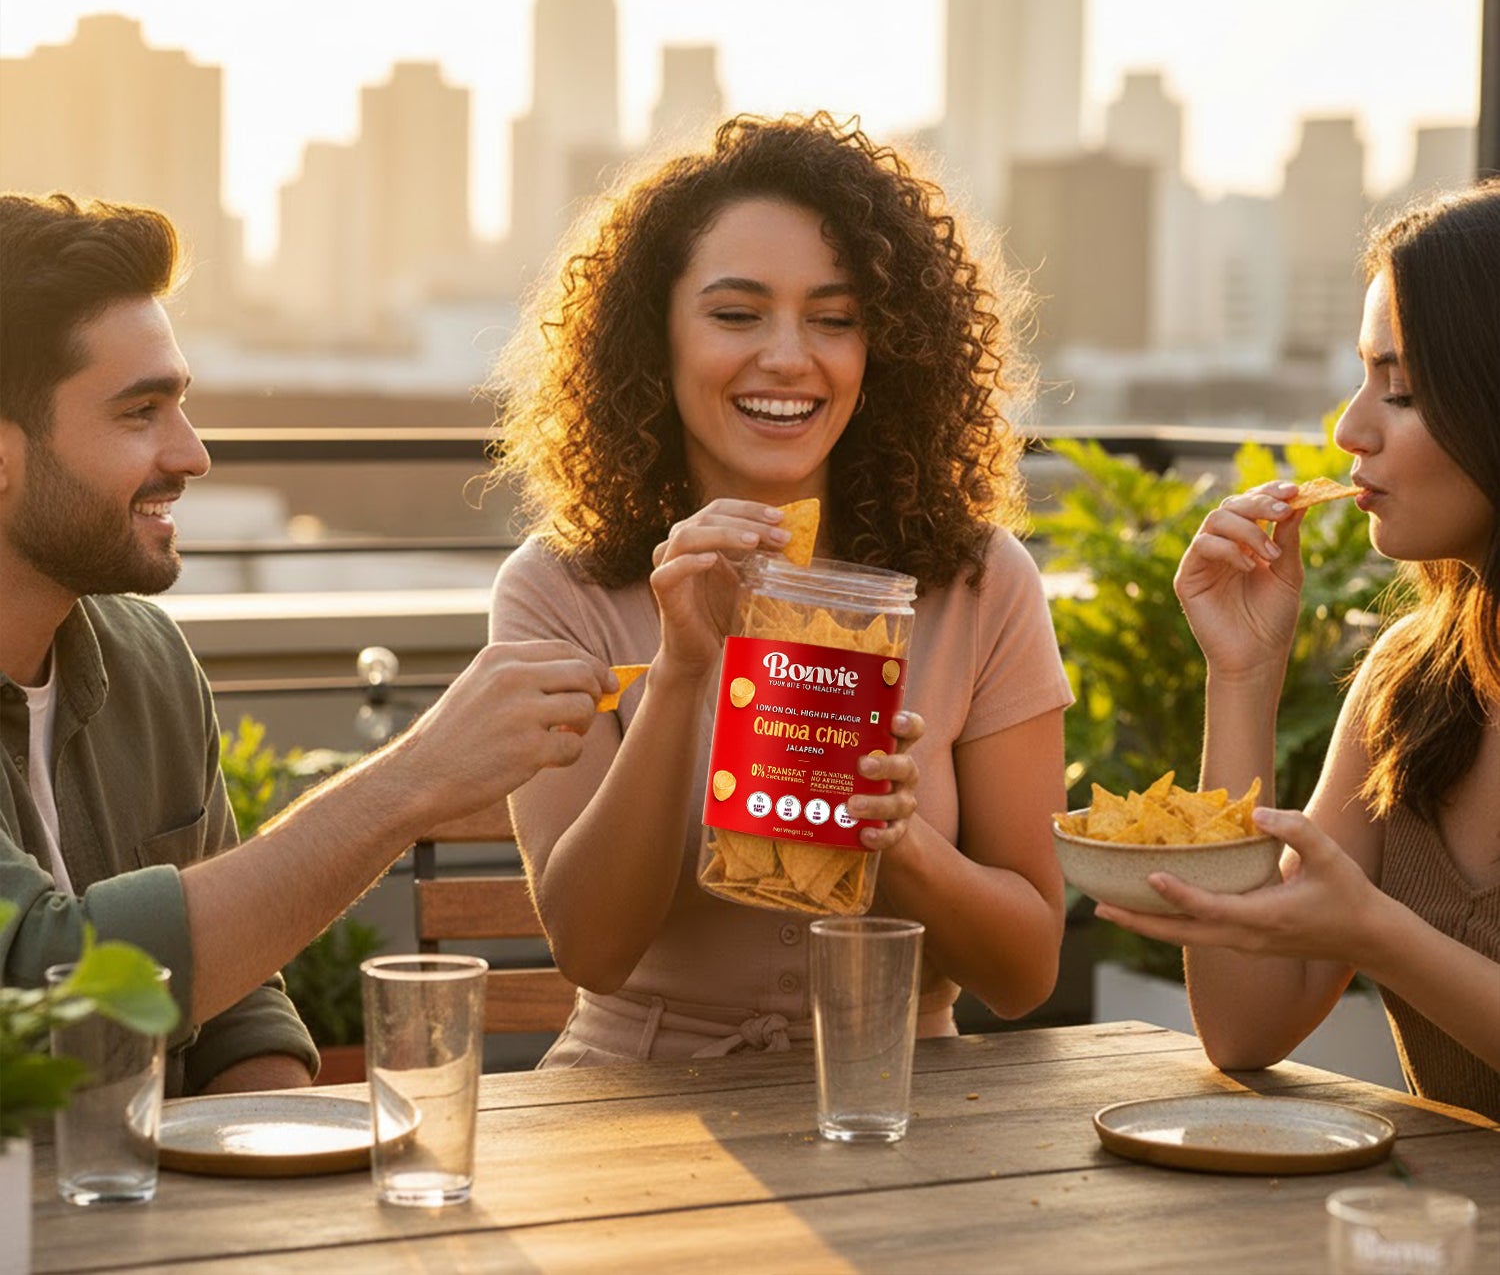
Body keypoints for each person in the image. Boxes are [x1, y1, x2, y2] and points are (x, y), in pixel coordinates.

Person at [486, 112, 1072, 1064]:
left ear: (882, 349)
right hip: (640, 1096)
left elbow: (1024, 974)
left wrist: (904, 841)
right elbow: (590, 948)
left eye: (835, 320)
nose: (791, 357)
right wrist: (682, 668)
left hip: (899, 1094)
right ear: (654, 337)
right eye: (736, 313)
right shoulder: (560, 587)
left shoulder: (980, 581)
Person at [0, 191, 612, 1096]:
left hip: (151, 1219)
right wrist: (415, 781)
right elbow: (47, 974)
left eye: (182, 405)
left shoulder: (148, 663)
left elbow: (236, 1001)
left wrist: (278, 1190)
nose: (193, 454)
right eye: (140, 414)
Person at [1096, 183, 1499, 1120]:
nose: (1350, 429)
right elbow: (1244, 1026)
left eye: (1400, 390)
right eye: (1364, 379)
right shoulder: (1411, 684)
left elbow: (1365, 938)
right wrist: (1243, 674)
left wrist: (1381, 935)